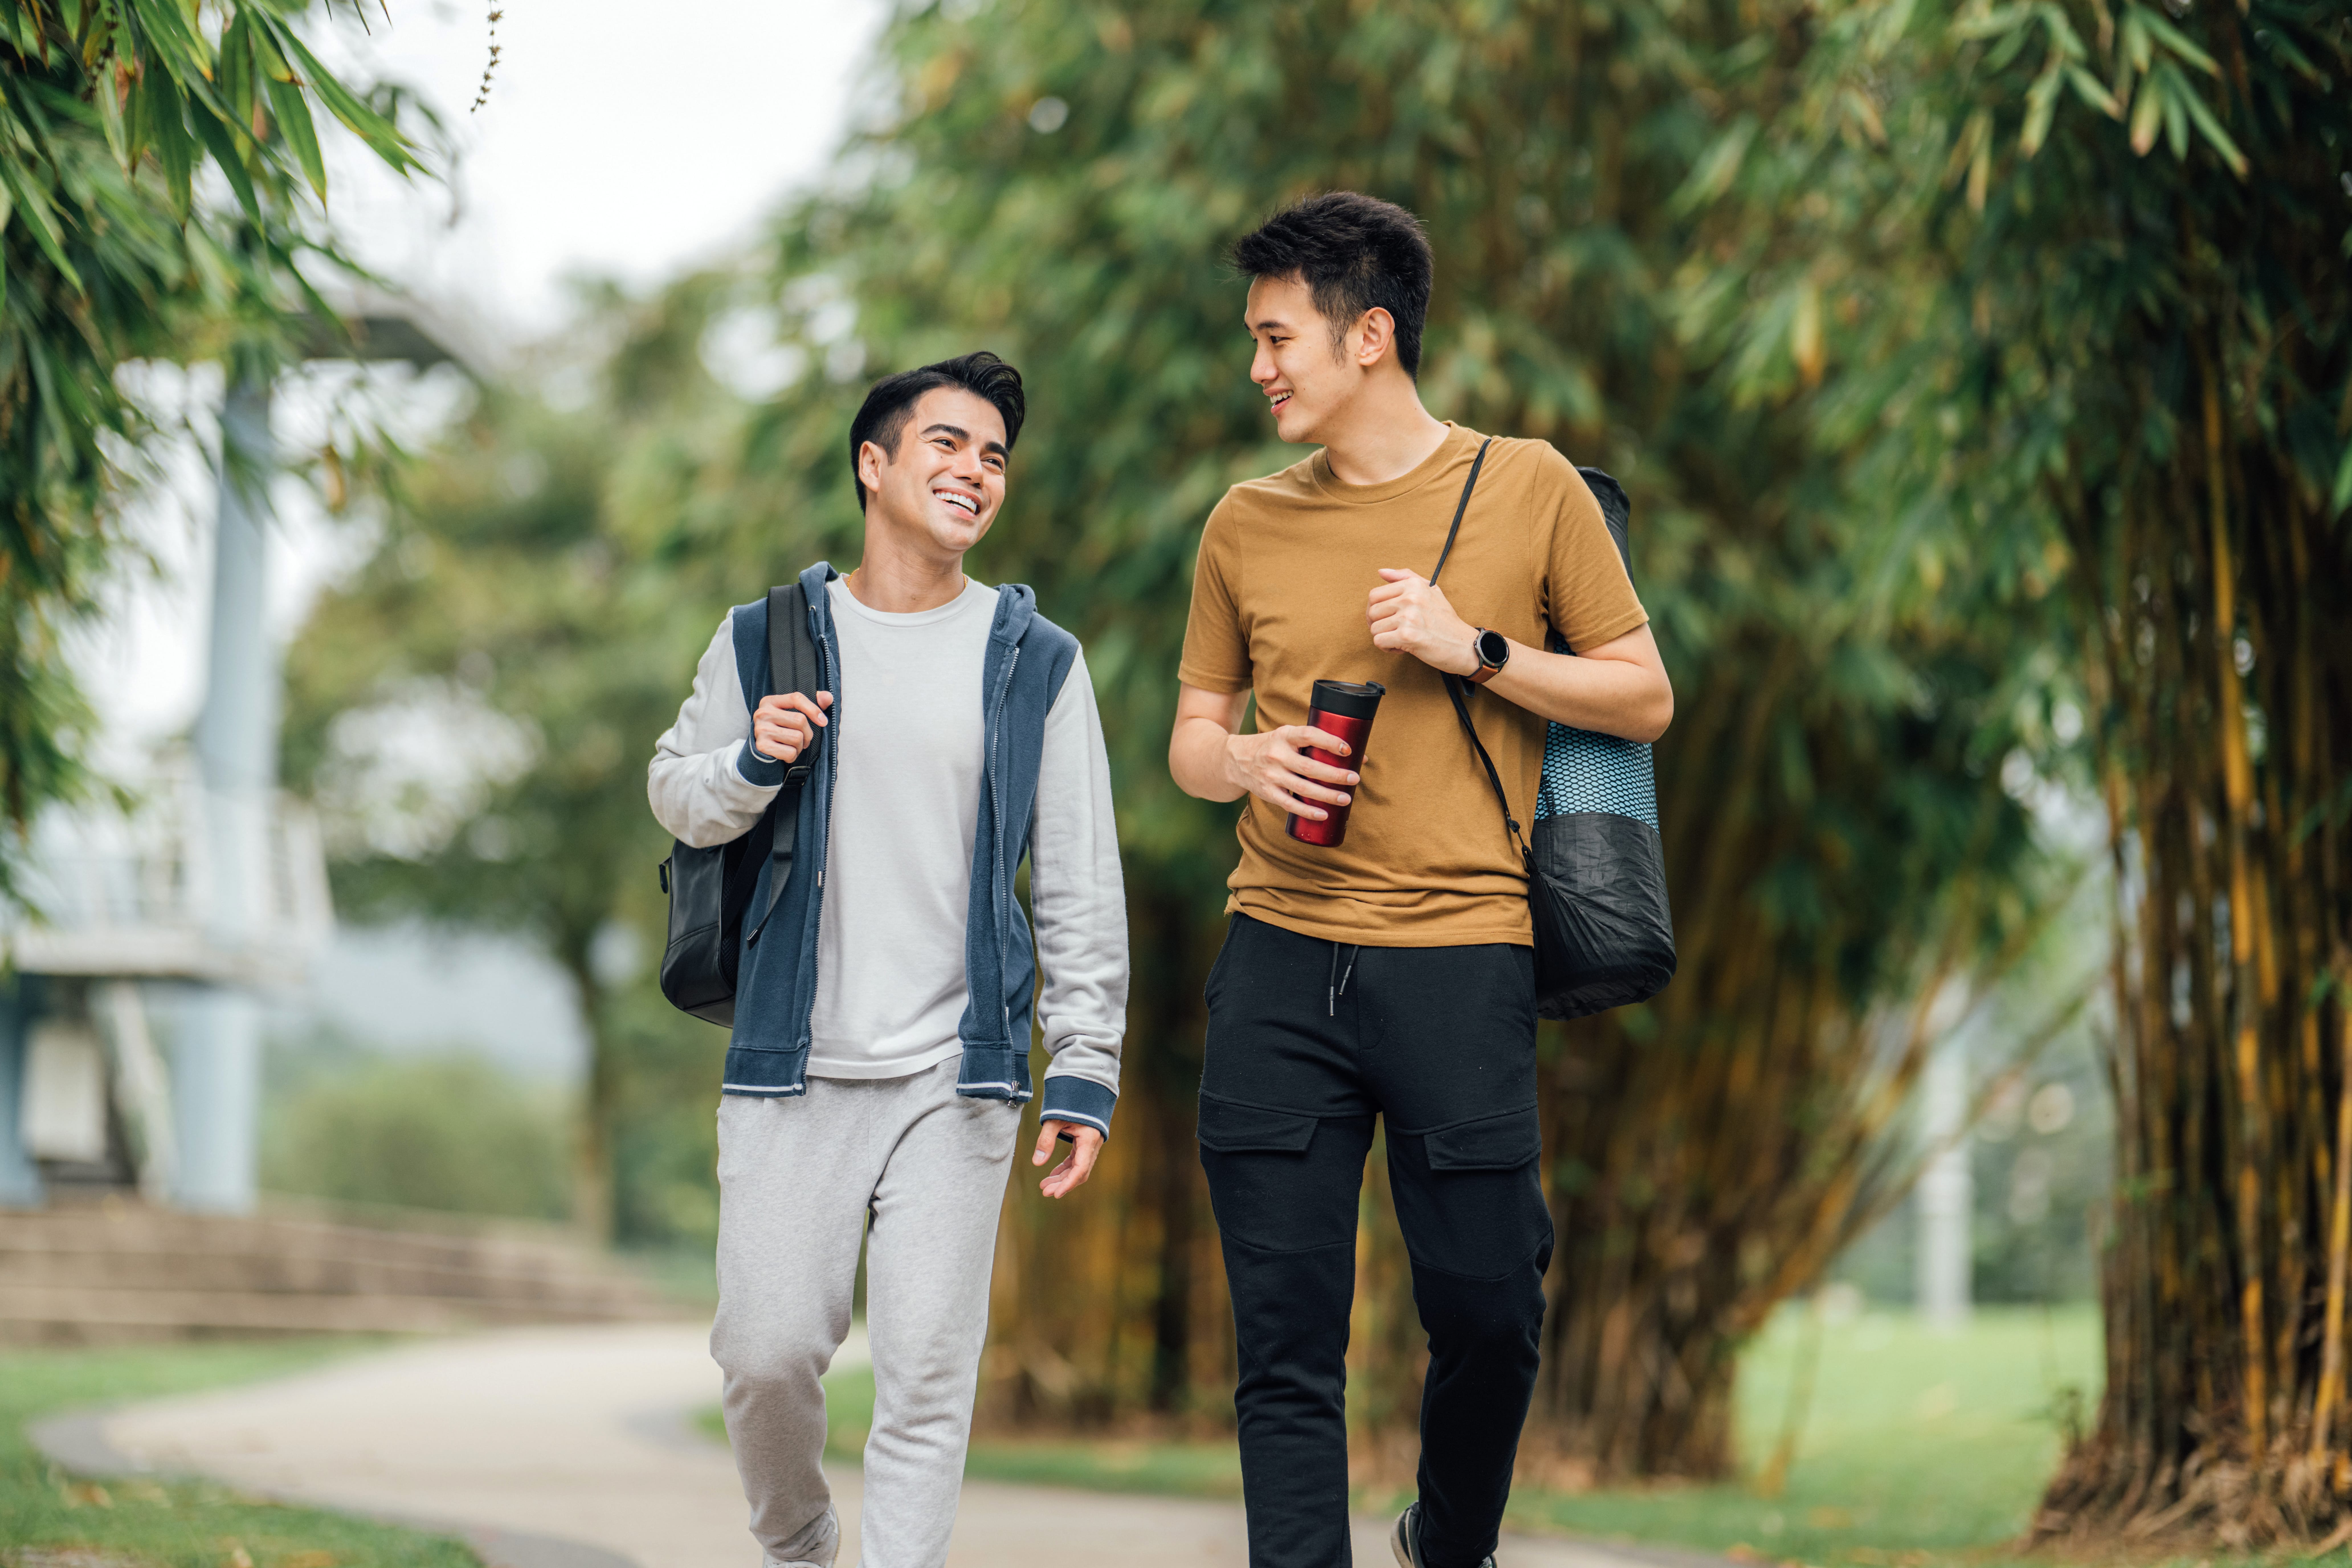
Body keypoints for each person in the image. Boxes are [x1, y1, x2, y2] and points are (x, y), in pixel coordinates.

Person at [1168, 194, 1674, 1568]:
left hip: (1462, 956)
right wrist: (1251, 763)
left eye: (1278, 337)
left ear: (1370, 333)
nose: (1259, 366)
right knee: (1284, 1342)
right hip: (1277, 955)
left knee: (1492, 1305)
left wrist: (1477, 649)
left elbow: (1642, 696)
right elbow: (1191, 741)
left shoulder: (1532, 486)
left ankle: (1448, 1543)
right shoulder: (1242, 524)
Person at [649, 351, 1128, 1568]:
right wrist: (751, 760)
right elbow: (674, 794)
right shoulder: (766, 638)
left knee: (925, 1373)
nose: (977, 470)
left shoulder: (1037, 662)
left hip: (955, 1073)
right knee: (762, 1358)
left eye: (996, 456)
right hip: (790, 1065)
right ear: (875, 463)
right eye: (950, 443)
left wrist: (1085, 1063)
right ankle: (802, 1546)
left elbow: (1076, 874)